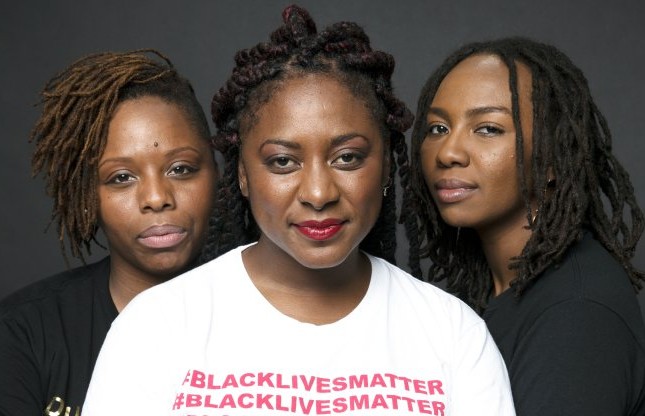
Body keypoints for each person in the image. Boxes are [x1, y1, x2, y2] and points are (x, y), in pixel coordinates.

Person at [82, 5, 515, 416]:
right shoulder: (157, 328)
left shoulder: (452, 335)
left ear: (385, 165)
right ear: (244, 175)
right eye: (283, 162)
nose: (318, 192)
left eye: (347, 158)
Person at [407, 36, 645, 415]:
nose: (448, 152)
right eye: (437, 128)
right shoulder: (498, 291)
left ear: (552, 157)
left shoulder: (575, 313)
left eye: (487, 129)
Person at [0, 50, 218, 416]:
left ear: (218, 172)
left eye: (180, 169)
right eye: (121, 178)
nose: (156, 198)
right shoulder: (21, 333)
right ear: (87, 194)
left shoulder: (275, 315)